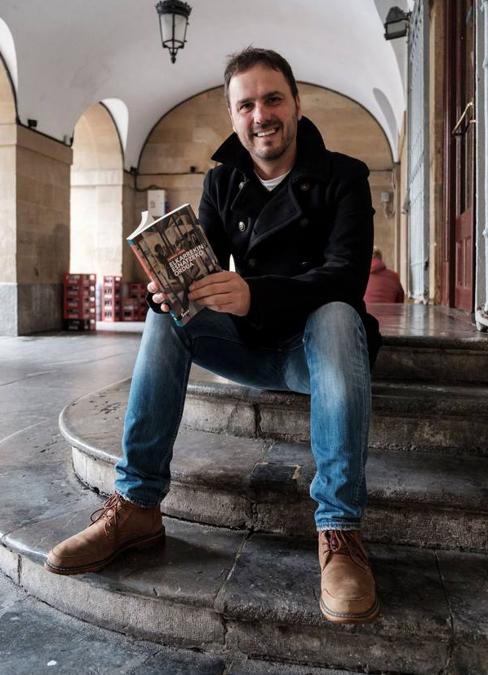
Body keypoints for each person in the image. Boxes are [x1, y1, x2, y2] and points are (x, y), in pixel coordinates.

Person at [46, 48, 381, 625]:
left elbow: (346, 278)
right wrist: (171, 289)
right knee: (169, 314)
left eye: (272, 99)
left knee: (335, 313)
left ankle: (340, 531)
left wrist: (254, 293)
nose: (261, 115)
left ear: (296, 104)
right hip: (249, 346)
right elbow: (200, 268)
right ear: (232, 116)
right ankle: (137, 505)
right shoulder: (223, 180)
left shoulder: (344, 176)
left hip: (320, 356)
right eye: (246, 105)